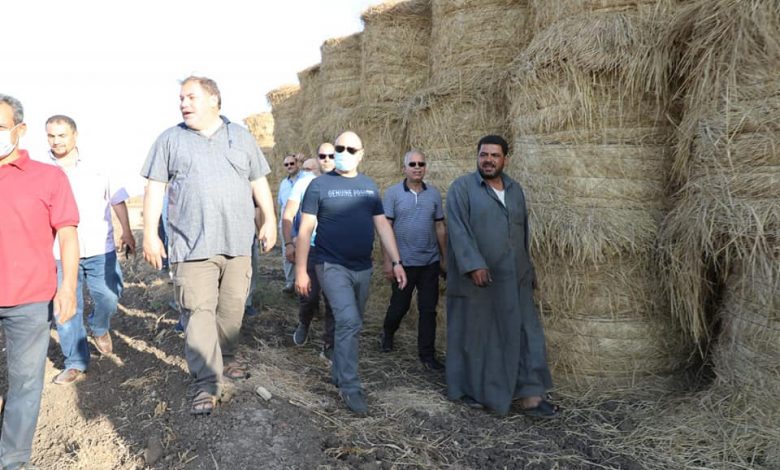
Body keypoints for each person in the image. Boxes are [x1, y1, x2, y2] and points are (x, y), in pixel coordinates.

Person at [140, 76, 277, 416]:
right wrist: (150, 234)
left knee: (232, 309)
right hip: (191, 247)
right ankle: (206, 382)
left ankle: (226, 357)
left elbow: (258, 181)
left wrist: (270, 220)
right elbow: (155, 188)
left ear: (214, 100)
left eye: (191, 97)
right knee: (198, 312)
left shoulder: (240, 136)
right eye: (181, 98)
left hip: (238, 243)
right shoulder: (170, 140)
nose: (183, 103)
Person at [445, 135, 558, 418]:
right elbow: (457, 230)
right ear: (477, 156)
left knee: (527, 332)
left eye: (495, 155)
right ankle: (480, 393)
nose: (488, 160)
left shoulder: (515, 190)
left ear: (505, 159)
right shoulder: (462, 188)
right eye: (484, 155)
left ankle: (532, 396)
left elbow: (522, 232)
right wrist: (473, 265)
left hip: (515, 277)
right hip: (479, 281)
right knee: (484, 337)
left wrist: (529, 268)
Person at [296, 132, 407, 416]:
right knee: (348, 321)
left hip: (363, 267)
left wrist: (397, 261)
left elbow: (382, 225)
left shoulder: (369, 186)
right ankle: (350, 386)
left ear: (361, 154)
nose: (343, 153)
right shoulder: (319, 185)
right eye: (339, 148)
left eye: (350, 149)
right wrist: (301, 271)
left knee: (350, 323)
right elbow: (305, 230)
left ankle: (338, 371)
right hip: (330, 265)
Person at [0, 94, 80, 469]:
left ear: (20, 129)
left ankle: (13, 461)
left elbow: (67, 234)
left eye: (0, 126)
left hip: (30, 300)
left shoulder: (49, 177)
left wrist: (68, 287)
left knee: (25, 384)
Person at [44, 115, 136, 385]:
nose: (56, 141)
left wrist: (127, 231)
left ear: (75, 135)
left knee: (110, 295)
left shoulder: (98, 165)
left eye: (62, 135)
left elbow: (116, 200)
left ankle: (99, 325)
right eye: (51, 135)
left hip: (99, 247)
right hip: (59, 251)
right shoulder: (41, 170)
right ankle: (75, 362)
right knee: (66, 307)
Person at [379, 150, 447, 371]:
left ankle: (427, 355)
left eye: (421, 164)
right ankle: (388, 332)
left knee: (428, 310)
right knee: (400, 306)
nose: (417, 167)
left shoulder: (434, 194)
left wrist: (444, 257)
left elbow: (439, 226)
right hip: (403, 263)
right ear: (404, 169)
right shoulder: (392, 194)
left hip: (429, 262)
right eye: (413, 164)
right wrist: (388, 262)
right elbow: (386, 228)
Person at [282, 144, 336, 360]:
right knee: (309, 295)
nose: (327, 159)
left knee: (332, 297)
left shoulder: (343, 181)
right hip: (311, 246)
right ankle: (304, 322)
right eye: (323, 156)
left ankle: (329, 343)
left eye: (332, 155)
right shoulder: (304, 183)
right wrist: (289, 242)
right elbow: (289, 213)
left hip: (334, 248)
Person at [277, 153, 302, 294]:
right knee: (287, 253)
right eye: (286, 164)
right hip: (286, 223)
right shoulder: (283, 184)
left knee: (303, 252)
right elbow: (281, 204)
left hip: (302, 222)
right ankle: (290, 283)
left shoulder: (304, 179)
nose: (289, 166)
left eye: (292, 163)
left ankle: (303, 281)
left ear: (297, 164)